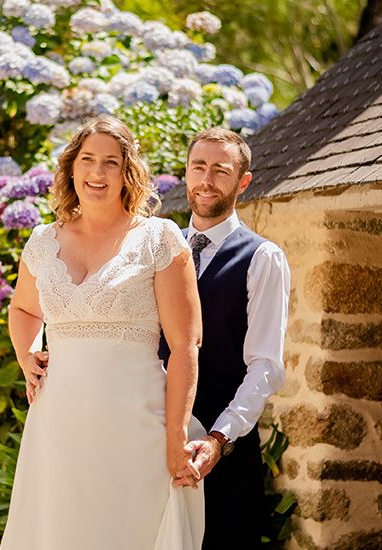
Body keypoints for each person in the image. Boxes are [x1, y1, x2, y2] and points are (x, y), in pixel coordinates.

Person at [1, 115, 206, 550]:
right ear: (72, 168)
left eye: (111, 163)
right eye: (88, 160)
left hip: (136, 429)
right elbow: (22, 308)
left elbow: (187, 346)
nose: (97, 173)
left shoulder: (158, 238)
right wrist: (27, 356)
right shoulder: (41, 241)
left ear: (127, 172)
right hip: (57, 427)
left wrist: (176, 437)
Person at [162, 127, 290, 550]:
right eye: (199, 167)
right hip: (157, 443)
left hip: (223, 455)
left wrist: (219, 440)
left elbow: (265, 367)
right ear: (186, 173)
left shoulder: (262, 257)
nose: (206, 180)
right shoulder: (162, 250)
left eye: (221, 170)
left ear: (243, 181)